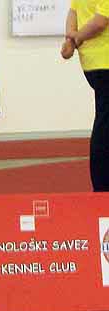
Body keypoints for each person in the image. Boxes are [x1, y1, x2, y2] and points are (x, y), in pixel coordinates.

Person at [61, 0, 109, 191]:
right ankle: (103, 186)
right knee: (105, 127)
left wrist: (71, 40)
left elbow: (73, 13)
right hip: (106, 60)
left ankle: (101, 184)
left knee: (103, 122)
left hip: (92, 63)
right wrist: (77, 38)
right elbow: (100, 21)